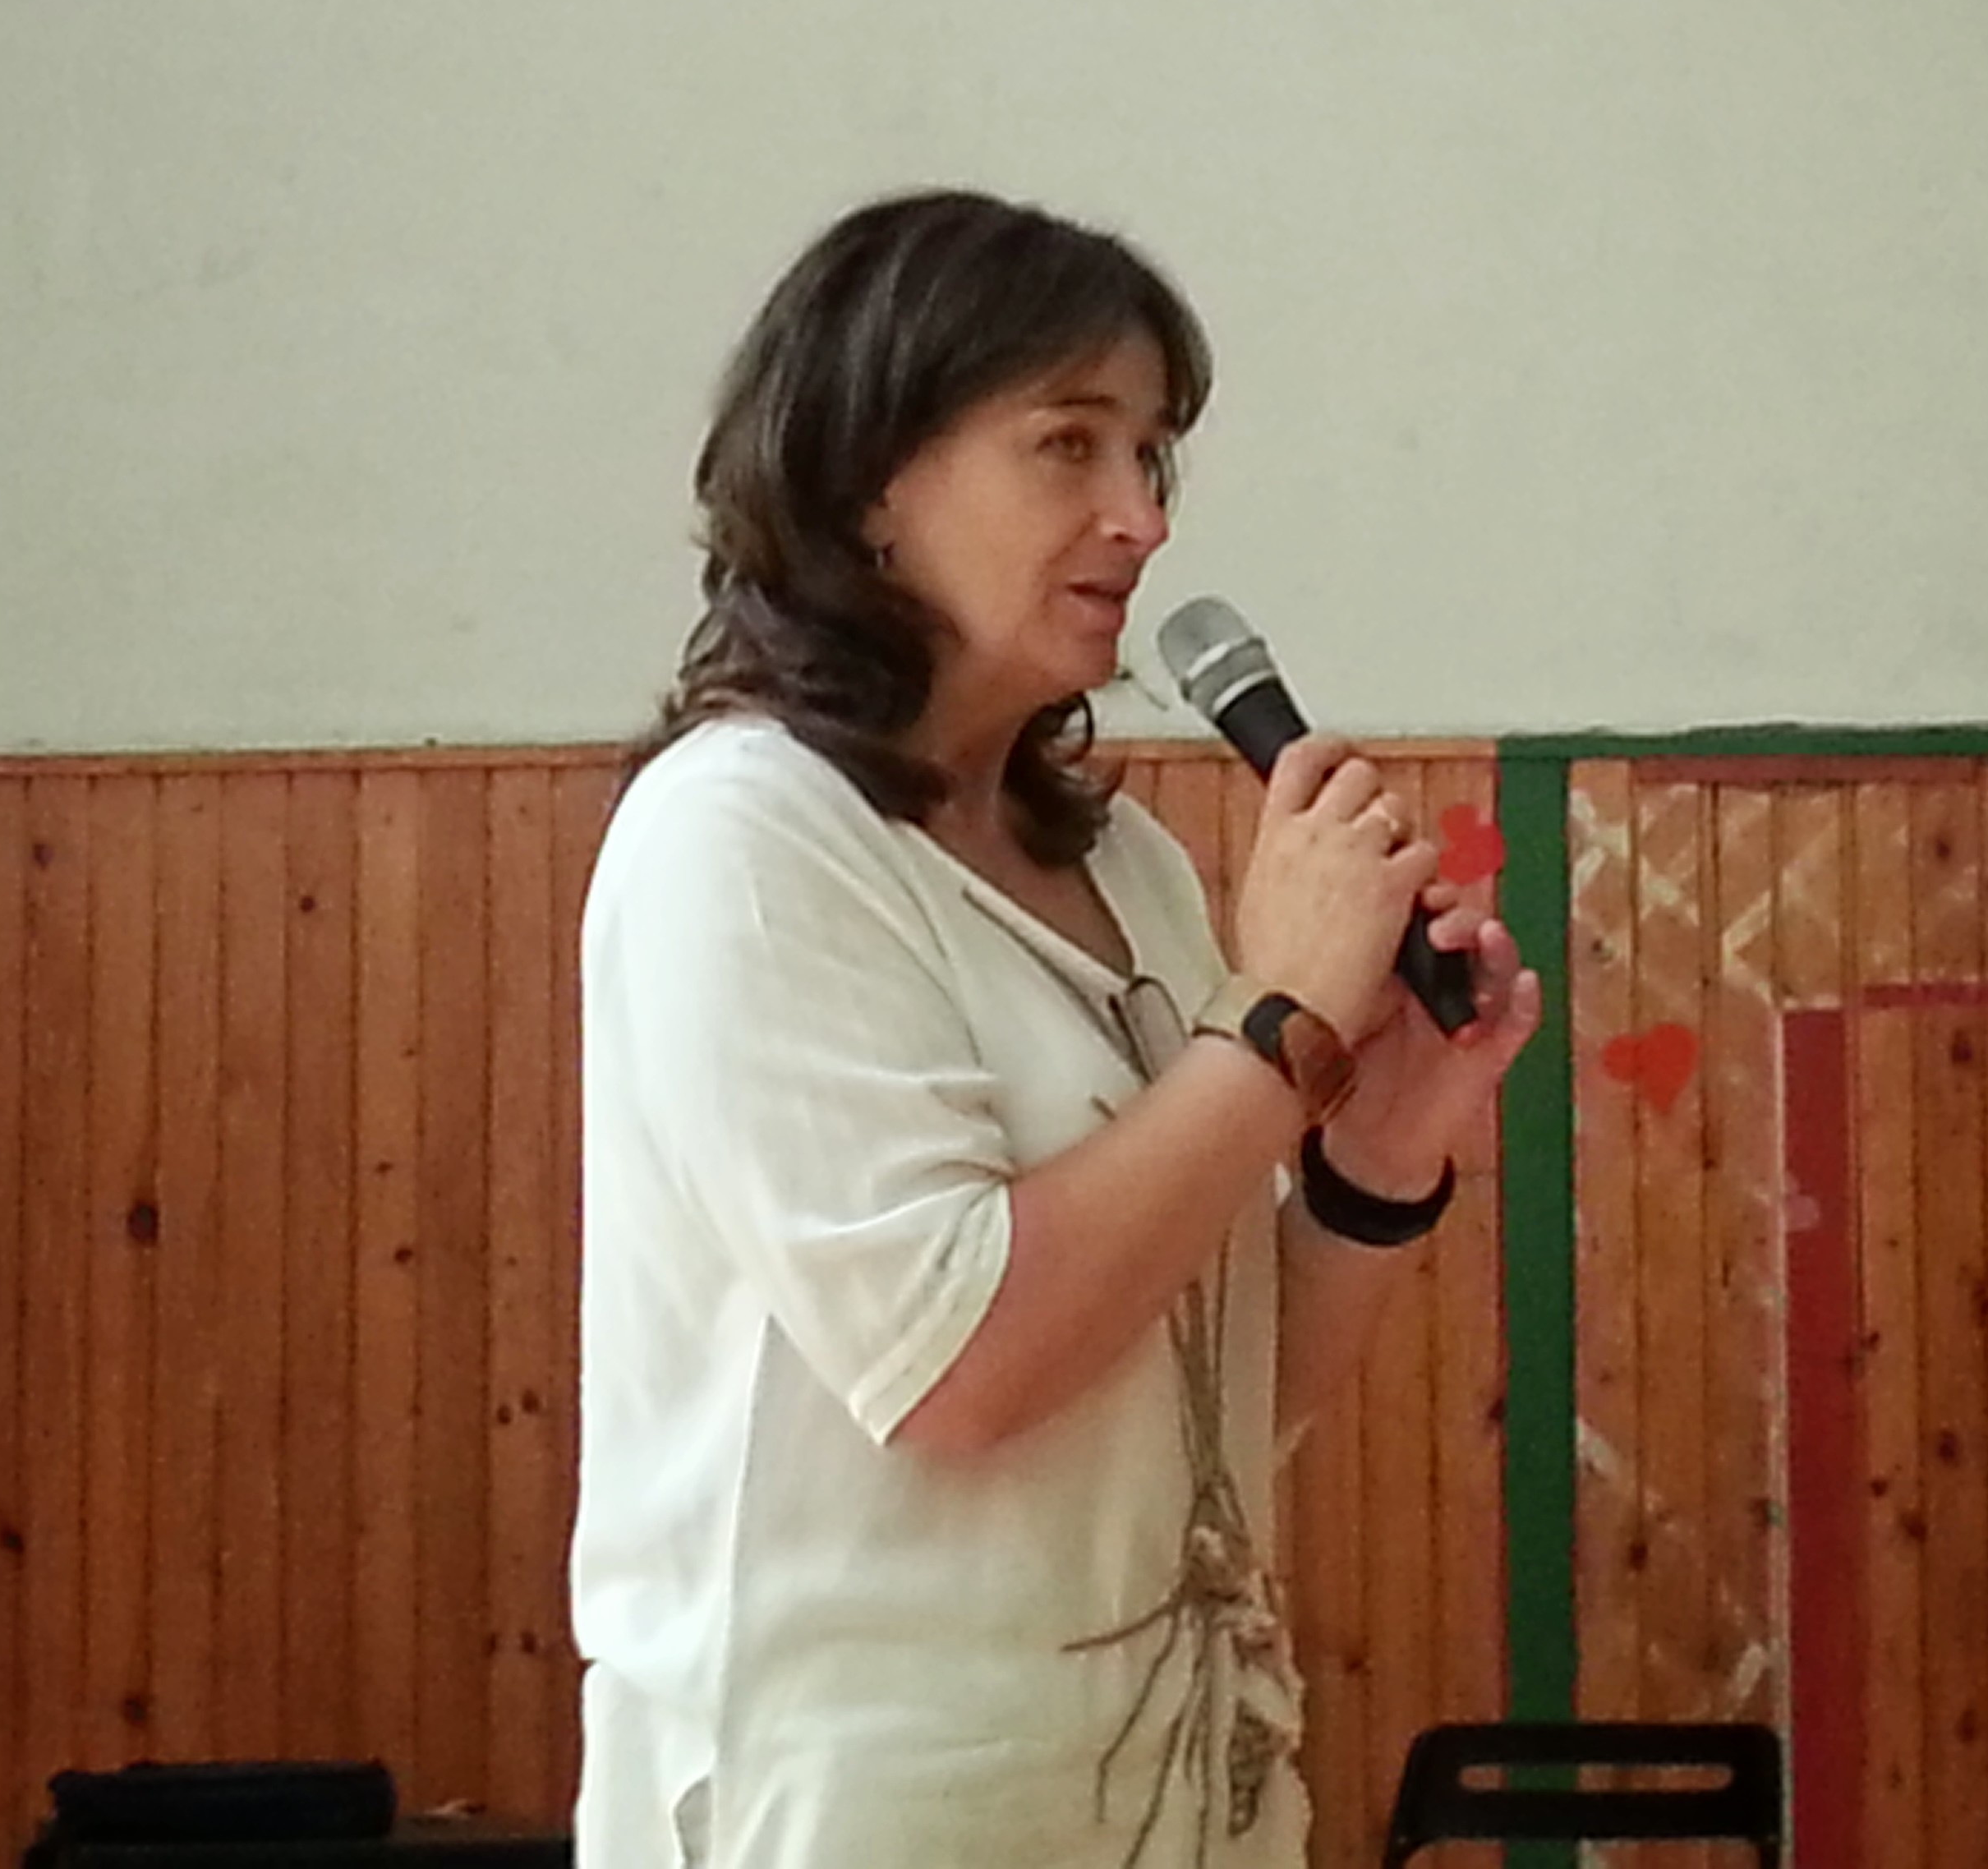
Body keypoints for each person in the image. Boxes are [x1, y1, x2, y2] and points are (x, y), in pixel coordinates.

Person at [568, 188, 1540, 1868]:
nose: (1140, 518)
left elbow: (1207, 1406)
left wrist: (1378, 1153)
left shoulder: (1129, 864)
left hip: (1176, 1796)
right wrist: (1276, 1021)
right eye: (1068, 445)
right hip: (860, 1814)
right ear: (871, 480)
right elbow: (956, 1365)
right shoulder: (742, 836)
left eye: (1151, 454)